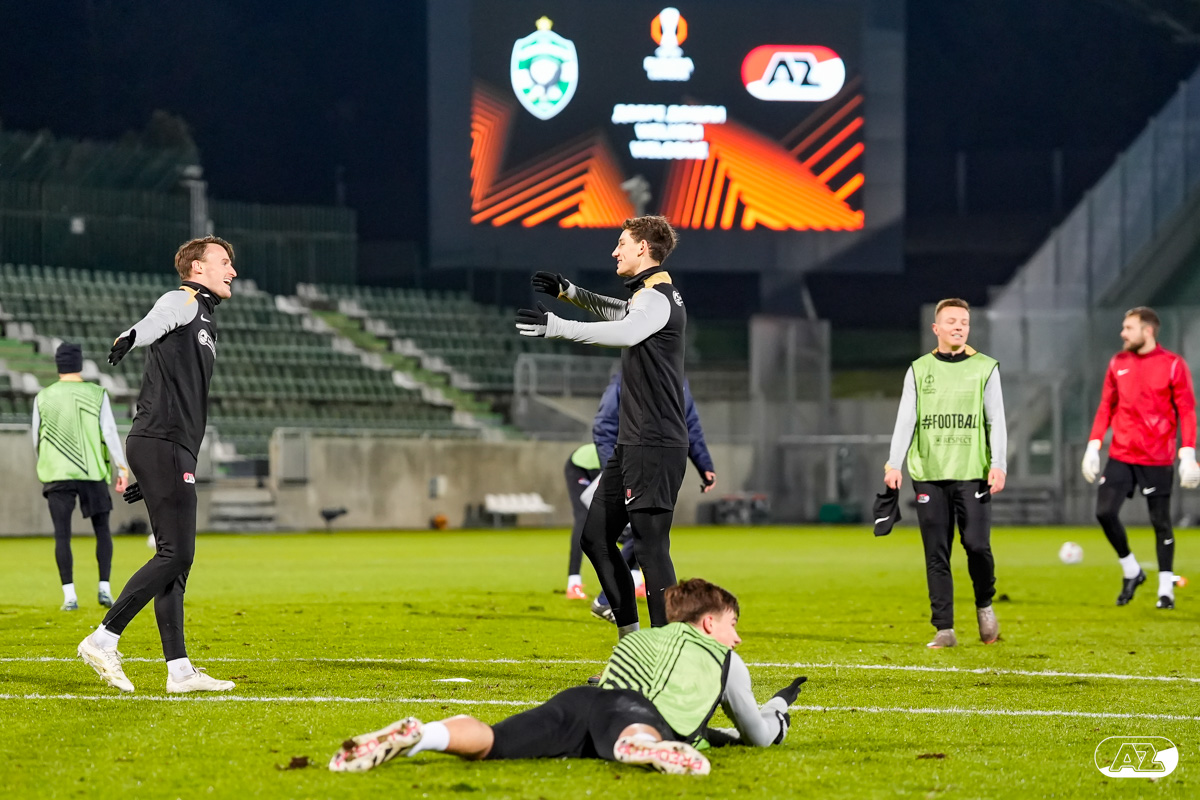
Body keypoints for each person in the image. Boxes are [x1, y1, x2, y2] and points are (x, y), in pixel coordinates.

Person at [328, 578, 804, 775]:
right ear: (709, 623)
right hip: (631, 716)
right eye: (733, 625)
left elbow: (619, 694)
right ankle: (641, 747)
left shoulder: (640, 640)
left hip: (581, 700)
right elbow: (757, 736)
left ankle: (425, 734)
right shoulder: (726, 660)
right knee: (636, 731)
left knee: (493, 742)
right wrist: (777, 712)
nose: (738, 637)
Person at [76, 236, 239, 694]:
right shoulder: (183, 300)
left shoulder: (204, 315)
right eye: (224, 262)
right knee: (176, 554)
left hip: (169, 447)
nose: (232, 270)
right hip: (161, 440)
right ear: (197, 268)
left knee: (175, 561)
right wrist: (130, 337)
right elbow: (154, 321)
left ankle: (180, 671)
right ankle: (103, 638)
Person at [516, 215, 689, 639]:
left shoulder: (657, 300)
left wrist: (558, 326)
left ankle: (664, 654)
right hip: (634, 443)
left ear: (643, 248)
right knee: (595, 537)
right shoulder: (652, 296)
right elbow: (622, 311)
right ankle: (633, 647)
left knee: (651, 549)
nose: (615, 251)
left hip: (655, 442)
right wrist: (570, 293)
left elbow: (626, 330)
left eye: (622, 243)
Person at [884, 298, 1007, 649]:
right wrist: (894, 463)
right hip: (929, 472)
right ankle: (944, 628)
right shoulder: (919, 369)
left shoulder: (985, 367)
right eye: (951, 321)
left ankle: (984, 603)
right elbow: (906, 420)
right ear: (936, 328)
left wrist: (998, 463)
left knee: (977, 546)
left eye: (964, 322)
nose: (959, 327)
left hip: (972, 471)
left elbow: (996, 420)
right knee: (936, 552)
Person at [1081, 306, 1199, 609]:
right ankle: (1132, 570)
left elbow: (1186, 411)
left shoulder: (1172, 365)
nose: (1122, 333)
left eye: (1129, 328)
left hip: (1157, 457)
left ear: (1147, 331)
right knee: (1104, 512)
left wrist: (1188, 453)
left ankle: (1165, 590)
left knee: (1161, 522)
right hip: (1121, 453)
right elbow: (1106, 406)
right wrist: (1093, 445)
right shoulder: (1117, 362)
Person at [588, 370, 716, 622]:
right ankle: (614, 604)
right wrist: (614, 469)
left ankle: (611, 603)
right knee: (642, 539)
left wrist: (704, 464)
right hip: (631, 465)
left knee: (647, 538)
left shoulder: (677, 378)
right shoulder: (628, 376)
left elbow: (689, 423)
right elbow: (604, 427)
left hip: (660, 466)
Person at [32, 342, 130, 611]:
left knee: (62, 534)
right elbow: (109, 432)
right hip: (92, 471)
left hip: (56, 473)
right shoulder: (97, 394)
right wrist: (122, 468)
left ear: (58, 365)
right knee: (102, 530)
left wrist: (45, 463)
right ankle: (104, 588)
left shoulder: (43, 396)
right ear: (80, 364)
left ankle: (69, 596)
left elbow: (35, 437)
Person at [563, 442, 602, 599]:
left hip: (604, 470)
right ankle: (573, 583)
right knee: (583, 518)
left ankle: (636, 581)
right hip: (580, 467)